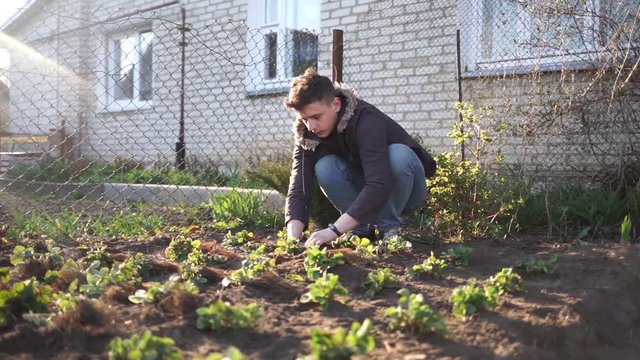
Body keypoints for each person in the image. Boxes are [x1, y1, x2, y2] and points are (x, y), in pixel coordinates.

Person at [283, 68, 436, 247]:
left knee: (398, 155)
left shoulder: (366, 119)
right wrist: (292, 239)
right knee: (325, 166)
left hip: (407, 190)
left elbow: (379, 182)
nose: (311, 127)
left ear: (336, 105)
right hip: (366, 190)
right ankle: (360, 229)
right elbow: (298, 188)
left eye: (316, 117)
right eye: (305, 119)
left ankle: (389, 229)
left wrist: (334, 230)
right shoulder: (307, 136)